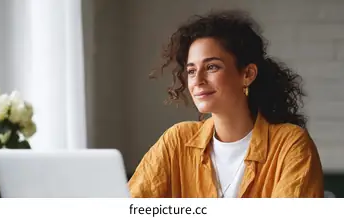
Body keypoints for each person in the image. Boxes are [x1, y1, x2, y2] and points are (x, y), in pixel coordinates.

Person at [128, 10, 324, 198]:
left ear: (247, 74)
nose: (197, 80)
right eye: (191, 71)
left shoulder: (290, 144)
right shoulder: (177, 141)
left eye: (212, 67)